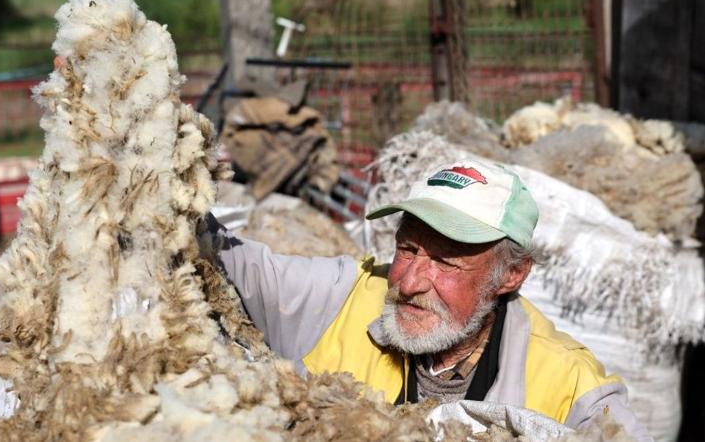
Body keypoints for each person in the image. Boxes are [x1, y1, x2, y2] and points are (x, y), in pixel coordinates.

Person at [211, 159, 651, 440]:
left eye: (446, 261)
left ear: (511, 275)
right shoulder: (340, 297)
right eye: (408, 248)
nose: (410, 281)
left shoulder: (569, 383)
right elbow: (226, 258)